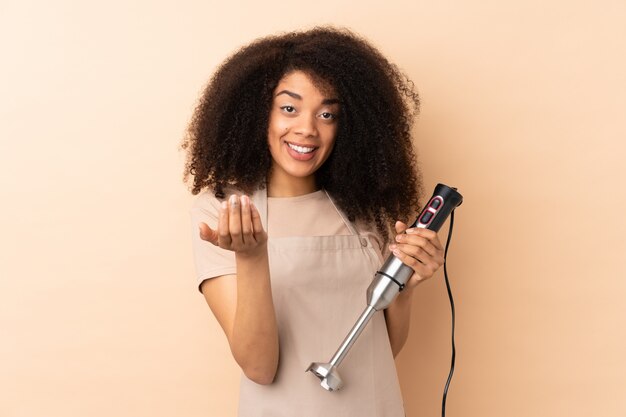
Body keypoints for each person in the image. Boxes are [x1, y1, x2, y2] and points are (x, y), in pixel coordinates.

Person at [182, 27, 445, 417]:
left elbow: (380, 349)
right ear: (258, 112)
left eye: (327, 114)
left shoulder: (365, 210)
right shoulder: (222, 212)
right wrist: (253, 256)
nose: (307, 128)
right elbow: (259, 366)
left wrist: (406, 286)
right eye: (289, 108)